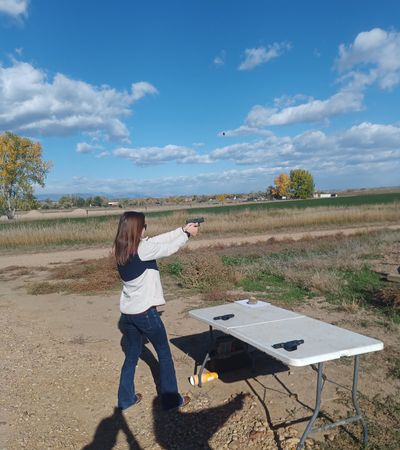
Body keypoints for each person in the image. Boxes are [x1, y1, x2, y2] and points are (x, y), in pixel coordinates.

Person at [113, 211, 199, 412]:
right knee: (164, 354)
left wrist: (182, 230)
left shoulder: (122, 248)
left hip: (129, 313)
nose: (146, 228)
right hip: (145, 314)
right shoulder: (142, 249)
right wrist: (186, 236)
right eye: (144, 225)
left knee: (132, 355)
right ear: (137, 229)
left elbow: (158, 240)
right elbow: (168, 249)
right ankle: (171, 401)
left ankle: (126, 399)